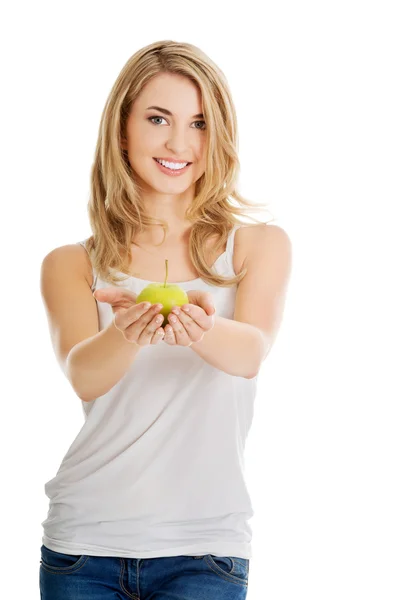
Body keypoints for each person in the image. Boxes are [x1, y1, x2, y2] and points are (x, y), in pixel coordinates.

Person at [38, 40, 292, 600]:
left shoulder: (256, 245)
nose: (180, 143)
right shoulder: (72, 263)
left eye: (199, 123)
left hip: (206, 549)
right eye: (158, 119)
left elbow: (250, 353)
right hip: (85, 548)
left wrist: (201, 327)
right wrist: (125, 333)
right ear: (123, 127)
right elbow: (84, 374)